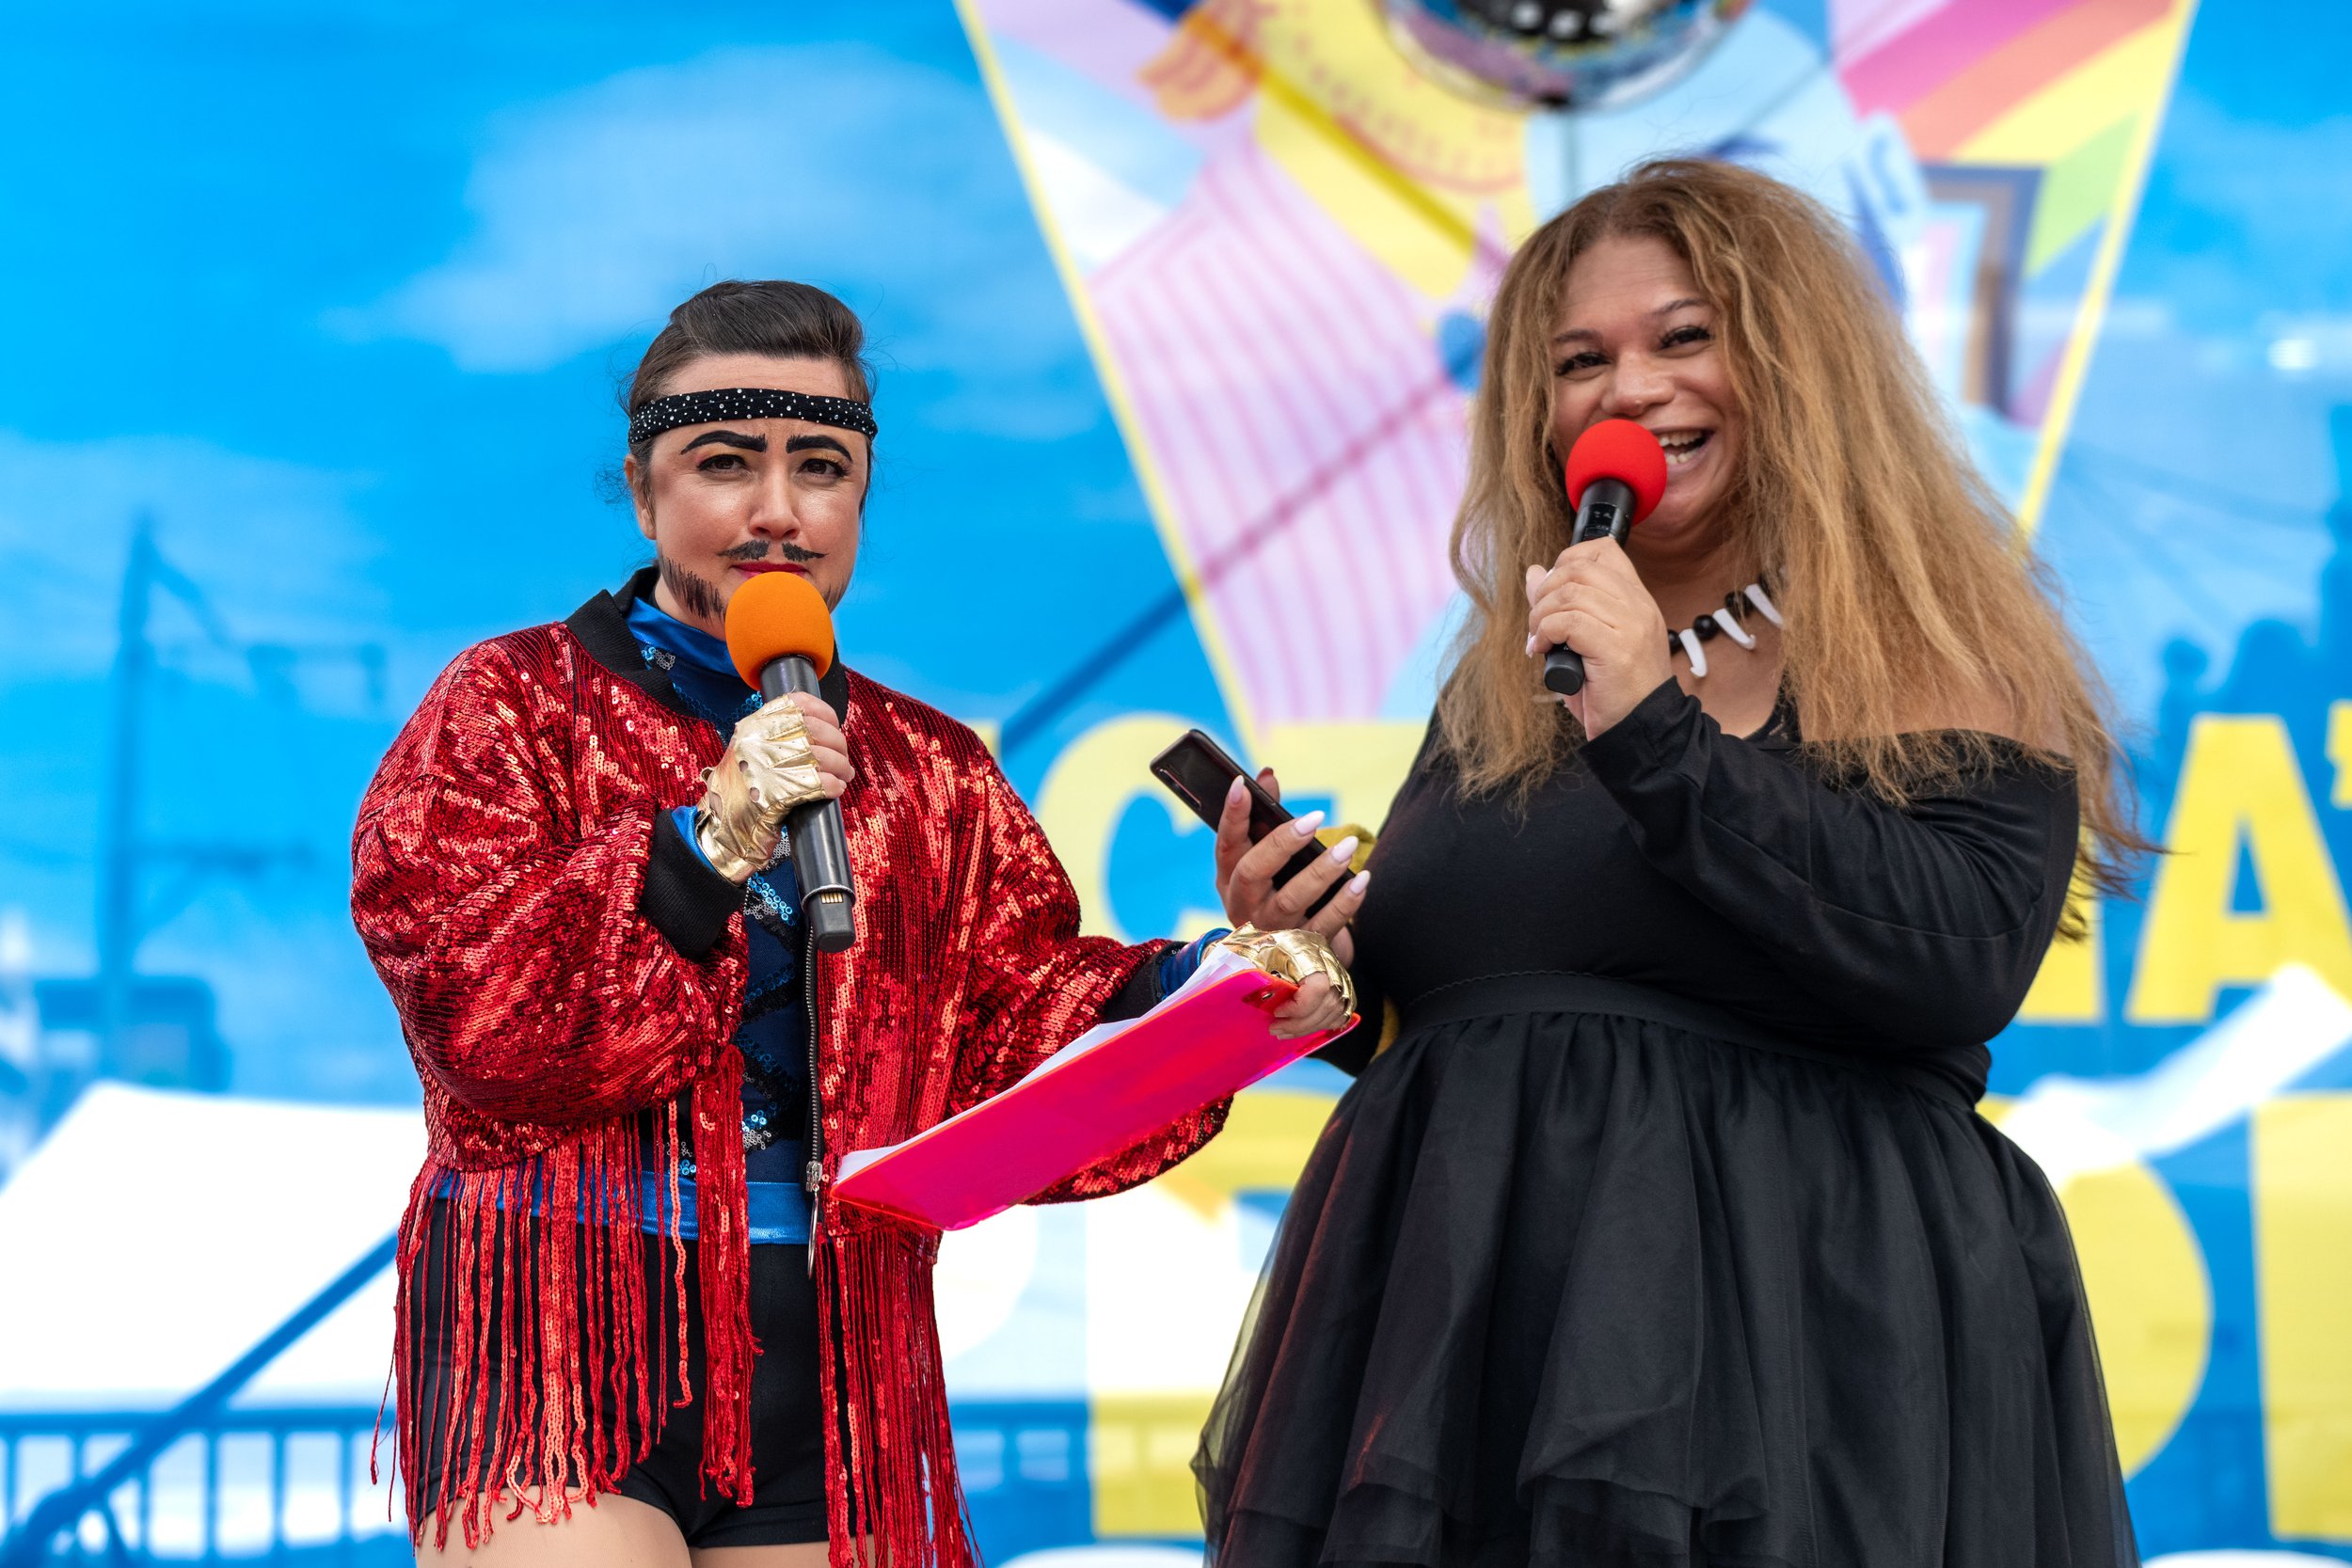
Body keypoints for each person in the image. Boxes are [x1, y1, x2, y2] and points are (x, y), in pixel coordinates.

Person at [1198, 160, 2147, 1567]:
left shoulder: (1935, 644)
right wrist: (1319, 962)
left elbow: (1953, 960)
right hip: (1482, 1339)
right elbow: (1482, 1010)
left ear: (1797, 366)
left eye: (1683, 338)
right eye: (1579, 361)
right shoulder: (1509, 684)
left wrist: (1654, 723)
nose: (1627, 392)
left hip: (1795, 1347)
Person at [350, 279, 1362, 1567]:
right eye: (725, 464)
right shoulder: (506, 707)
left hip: (833, 1340)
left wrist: (1226, 987)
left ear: (861, 500)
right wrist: (702, 846)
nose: (777, 511)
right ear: (644, 486)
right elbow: (479, 1030)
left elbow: (1010, 1037)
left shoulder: (931, 769)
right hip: (563, 1316)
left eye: (819, 467)